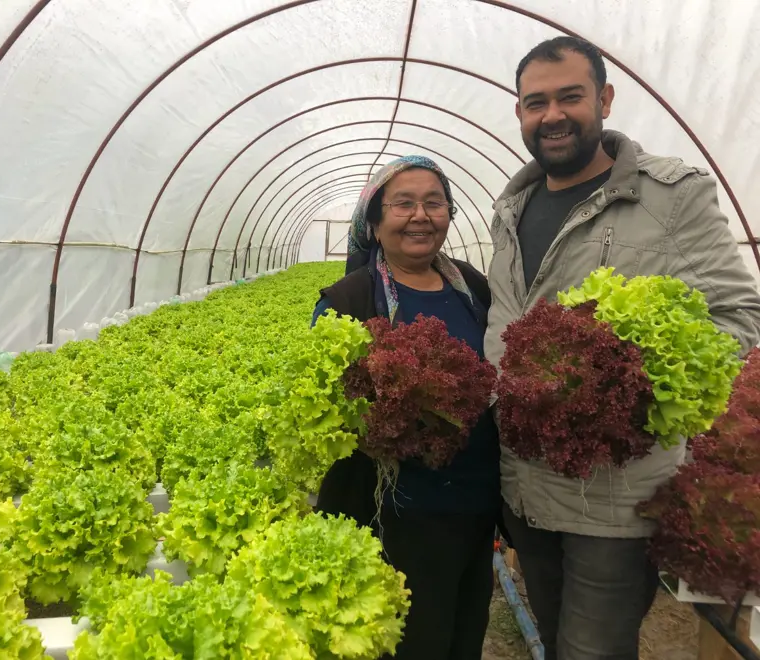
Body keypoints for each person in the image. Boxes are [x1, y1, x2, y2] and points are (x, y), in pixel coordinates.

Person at [485, 36, 760, 660]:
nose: (552, 115)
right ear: (521, 114)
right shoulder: (511, 206)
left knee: (593, 649)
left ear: (605, 99)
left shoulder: (670, 195)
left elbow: (738, 315)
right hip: (524, 483)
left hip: (614, 496)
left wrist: (623, 383)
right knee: (555, 638)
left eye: (570, 97)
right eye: (535, 103)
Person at [310, 155, 501, 660]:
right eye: (403, 204)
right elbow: (324, 411)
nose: (421, 216)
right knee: (409, 641)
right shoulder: (347, 300)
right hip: (390, 518)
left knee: (463, 636)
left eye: (434, 203)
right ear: (373, 223)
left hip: (473, 508)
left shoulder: (473, 289)